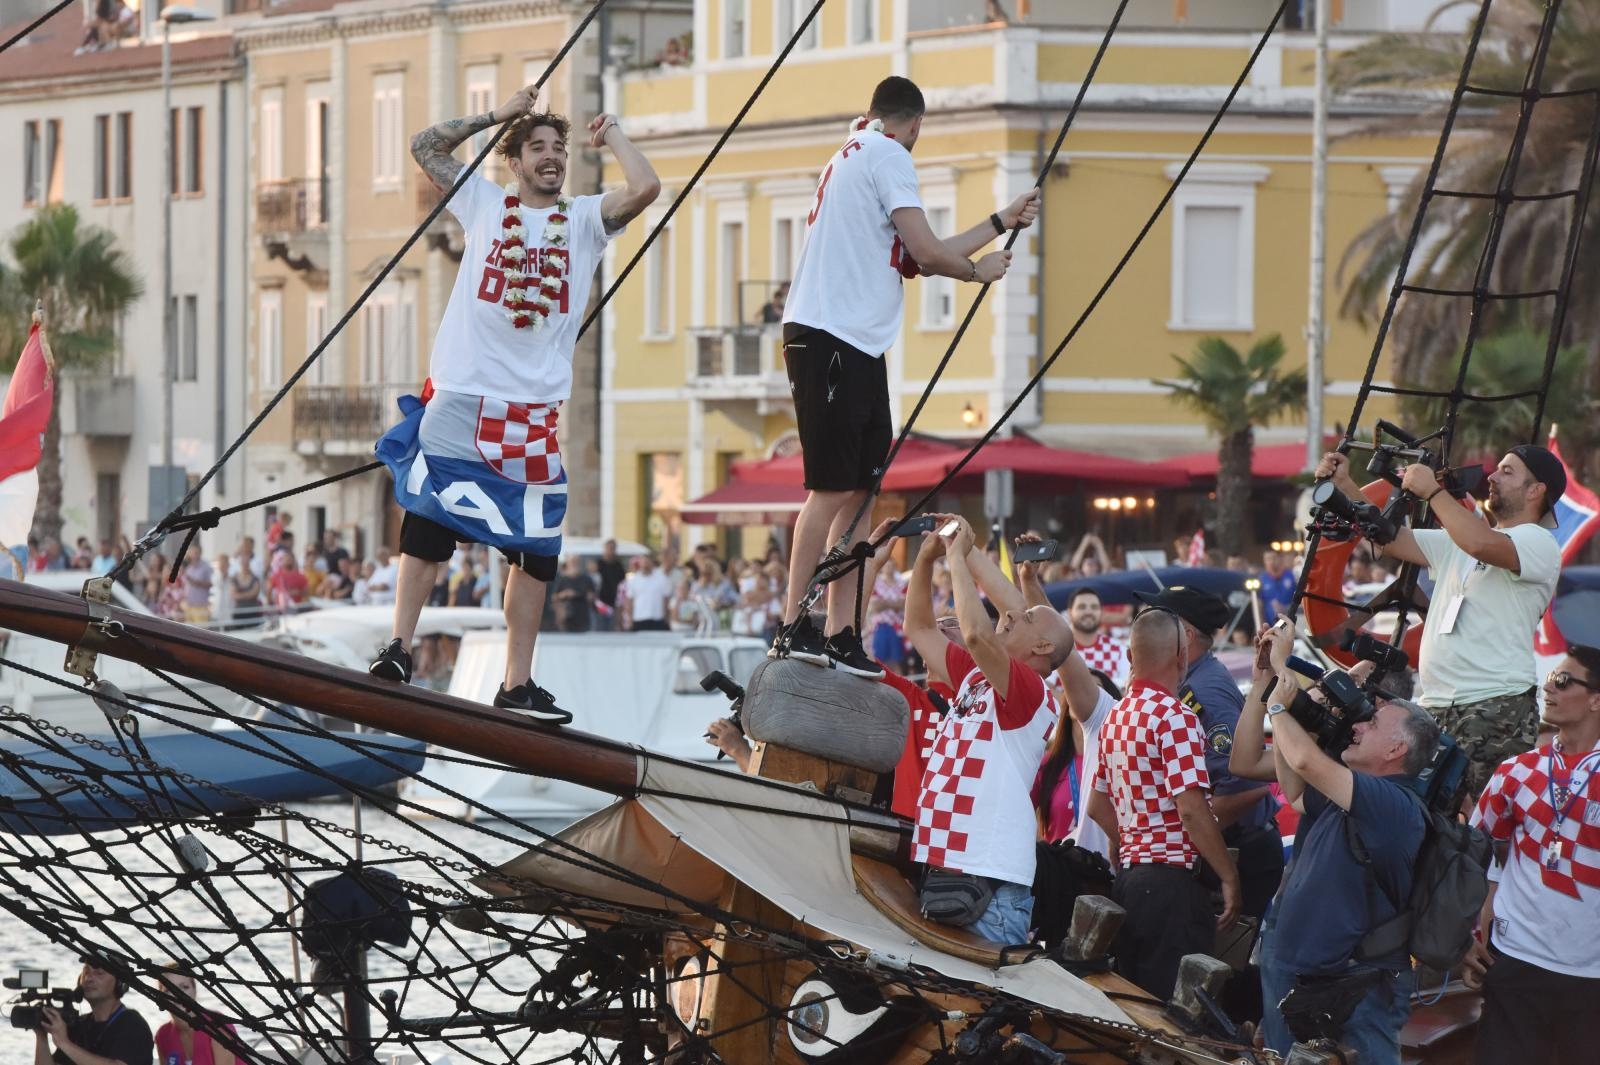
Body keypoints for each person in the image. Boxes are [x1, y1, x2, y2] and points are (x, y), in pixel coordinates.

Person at [370, 83, 659, 726]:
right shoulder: (482, 202)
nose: (552, 157)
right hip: (463, 394)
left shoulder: (583, 220)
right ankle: (398, 649)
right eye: (539, 147)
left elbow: (646, 188)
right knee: (425, 524)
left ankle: (515, 683)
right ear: (515, 159)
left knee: (537, 550)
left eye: (559, 148)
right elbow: (425, 145)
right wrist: (497, 115)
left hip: (530, 414)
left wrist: (608, 134)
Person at [771, 75, 1039, 678]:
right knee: (833, 488)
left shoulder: (857, 151)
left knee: (863, 491)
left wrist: (999, 220)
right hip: (830, 335)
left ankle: (843, 630)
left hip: (853, 339)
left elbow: (922, 248)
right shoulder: (889, 153)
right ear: (914, 124)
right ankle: (793, 623)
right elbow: (931, 252)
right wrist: (978, 273)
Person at [1316, 446, 1563, 796]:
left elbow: (1480, 543)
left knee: (1485, 819)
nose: (1491, 477)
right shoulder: (1459, 541)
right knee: (1430, 821)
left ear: (1536, 490)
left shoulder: (1538, 542)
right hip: (1435, 706)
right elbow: (1389, 537)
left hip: (1493, 705)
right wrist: (1345, 486)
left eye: (1507, 472)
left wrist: (1433, 492)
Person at [1251, 618, 1440, 1063]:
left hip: (1357, 986)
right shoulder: (1352, 791)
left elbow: (1305, 759)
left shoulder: (1392, 802)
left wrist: (1282, 693)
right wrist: (1290, 706)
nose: (1358, 726)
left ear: (1397, 751)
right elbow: (1294, 785)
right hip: (1310, 977)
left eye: (1373, 725)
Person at [903, 514, 1071, 943]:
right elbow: (919, 628)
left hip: (990, 891)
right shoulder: (976, 678)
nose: (1012, 616)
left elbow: (977, 634)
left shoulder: (1032, 692)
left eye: (1026, 618)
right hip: (950, 874)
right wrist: (925, 560)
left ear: (1043, 647)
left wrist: (957, 557)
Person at [1082, 607, 1240, 1000]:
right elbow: (1191, 809)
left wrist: (1135, 844)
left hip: (1132, 881)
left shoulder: (1116, 717)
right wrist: (1229, 876)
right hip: (1171, 887)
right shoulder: (1176, 717)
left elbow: (1097, 805)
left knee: (1139, 1002)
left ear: (1131, 658)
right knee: (1178, 1012)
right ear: (1181, 656)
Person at [1464, 646, 1600, 1064]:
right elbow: (1474, 851)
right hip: (1515, 962)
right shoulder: (1516, 770)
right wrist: (1467, 928)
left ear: (1596, 699)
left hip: (1592, 976)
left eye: (1563, 681)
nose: (1548, 687)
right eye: (1549, 679)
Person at [1132, 586, 1282, 921]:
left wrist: (1192, 836)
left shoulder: (1203, 693)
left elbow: (1248, 783)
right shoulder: (1183, 685)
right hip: (1218, 849)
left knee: (1220, 966)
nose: (1145, 623)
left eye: (1159, 618)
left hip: (1241, 852)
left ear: (1184, 635)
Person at [34, 953, 154, 1065]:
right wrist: (41, 1037)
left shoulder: (133, 1024)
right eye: (86, 972)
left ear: (120, 983)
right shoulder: (78, 1024)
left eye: (99, 973)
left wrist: (63, 1042)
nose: (88, 979)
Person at [153, 963, 241, 1065]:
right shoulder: (163, 1035)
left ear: (194, 991)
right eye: (169, 989)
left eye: (184, 987)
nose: (177, 994)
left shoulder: (217, 1026)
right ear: (161, 997)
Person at [1062, 588, 1128, 691]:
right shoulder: (1060, 649)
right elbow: (1049, 690)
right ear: (1070, 612)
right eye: (1081, 607)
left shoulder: (1118, 648)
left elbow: (1127, 688)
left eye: (1094, 607)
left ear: (1101, 612)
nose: (1088, 612)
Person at [624, 554, 673, 631]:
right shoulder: (634, 580)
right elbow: (630, 601)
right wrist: (630, 619)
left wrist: (666, 618)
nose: (645, 564)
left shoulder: (661, 578)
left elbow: (666, 599)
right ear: (640, 564)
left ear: (652, 563)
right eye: (643, 562)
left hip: (657, 619)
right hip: (639, 619)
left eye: (647, 562)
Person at [552, 555, 595, 633]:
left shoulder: (587, 579)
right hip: (566, 618)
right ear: (568, 563)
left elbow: (592, 597)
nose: (574, 564)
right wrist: (564, 595)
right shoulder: (562, 579)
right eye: (572, 562)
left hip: (583, 617)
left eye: (576, 562)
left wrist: (577, 594)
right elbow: (554, 597)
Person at [593, 539, 626, 631]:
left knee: (611, 631)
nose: (611, 551)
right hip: (600, 605)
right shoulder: (598, 565)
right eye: (609, 548)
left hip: (614, 605)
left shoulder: (619, 566)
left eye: (613, 549)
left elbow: (622, 586)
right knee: (599, 630)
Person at [1258, 549, 1296, 621]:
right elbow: (1259, 604)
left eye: (1274, 558)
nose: (1271, 562)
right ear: (1264, 561)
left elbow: (1301, 600)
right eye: (1268, 559)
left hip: (1291, 622)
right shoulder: (1261, 579)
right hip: (1270, 624)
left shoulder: (1292, 576)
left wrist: (1286, 608)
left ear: (1280, 558)